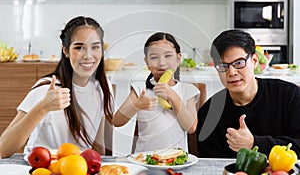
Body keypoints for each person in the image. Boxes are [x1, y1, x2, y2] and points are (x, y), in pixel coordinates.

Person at [0, 16, 114, 158]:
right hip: (42, 168)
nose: (88, 55)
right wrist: (43, 107)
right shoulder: (46, 88)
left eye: (95, 47)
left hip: (77, 168)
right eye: (79, 47)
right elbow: (3, 149)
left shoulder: (103, 87)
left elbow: (98, 148)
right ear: (65, 50)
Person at [196, 29, 300, 158]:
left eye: (239, 63)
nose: (232, 72)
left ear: (254, 61)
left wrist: (255, 143)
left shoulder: (288, 95)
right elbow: (211, 166)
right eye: (223, 66)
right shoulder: (209, 114)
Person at [112, 32, 200, 153]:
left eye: (168, 56)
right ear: (147, 63)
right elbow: (117, 121)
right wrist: (136, 106)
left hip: (176, 160)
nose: (161, 63)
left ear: (178, 58)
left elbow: (191, 127)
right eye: (154, 57)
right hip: (144, 160)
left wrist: (173, 97)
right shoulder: (140, 88)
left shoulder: (187, 90)